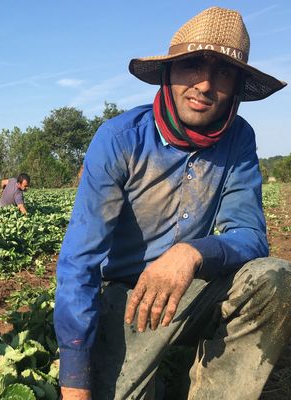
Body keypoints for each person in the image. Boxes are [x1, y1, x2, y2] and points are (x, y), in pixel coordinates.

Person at [54, 7, 291, 400]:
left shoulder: (238, 139)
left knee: (275, 280)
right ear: (168, 72)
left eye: (223, 72)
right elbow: (80, 261)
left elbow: (250, 236)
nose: (204, 84)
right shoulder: (120, 139)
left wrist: (190, 254)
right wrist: (75, 377)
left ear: (236, 87)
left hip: (194, 288)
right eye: (192, 65)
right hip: (127, 299)